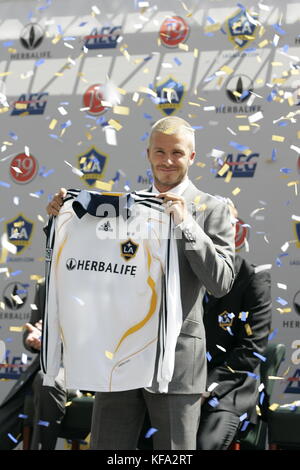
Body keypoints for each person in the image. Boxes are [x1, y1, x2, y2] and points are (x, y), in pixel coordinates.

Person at [46, 116, 235, 450]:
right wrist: (61, 220)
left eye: (177, 152)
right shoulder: (122, 208)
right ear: (148, 153)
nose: (167, 160)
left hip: (177, 360)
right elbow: (90, 264)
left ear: (192, 157)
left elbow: (221, 282)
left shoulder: (213, 208)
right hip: (118, 354)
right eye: (160, 152)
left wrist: (186, 223)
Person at [197, 201, 272, 450]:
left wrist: (207, 386)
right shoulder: (176, 276)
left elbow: (251, 351)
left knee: (205, 444)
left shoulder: (253, 278)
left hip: (230, 390)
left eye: (225, 227)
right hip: (175, 386)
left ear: (237, 233)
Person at [0, 279, 72, 450]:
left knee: (47, 380)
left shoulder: (98, 280)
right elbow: (32, 327)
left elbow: (98, 340)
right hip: (39, 370)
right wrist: (31, 338)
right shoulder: (46, 285)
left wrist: (52, 341)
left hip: (81, 368)